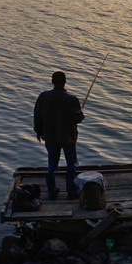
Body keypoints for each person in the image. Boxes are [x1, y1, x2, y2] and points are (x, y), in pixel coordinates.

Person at [33, 71, 85, 200]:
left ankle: (51, 191)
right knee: (71, 164)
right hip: (68, 138)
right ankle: (71, 192)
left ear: (52, 82)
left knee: (52, 164)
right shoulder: (72, 99)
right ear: (65, 82)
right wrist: (81, 114)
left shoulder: (43, 96)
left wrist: (38, 132)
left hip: (50, 137)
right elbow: (77, 118)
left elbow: (37, 116)